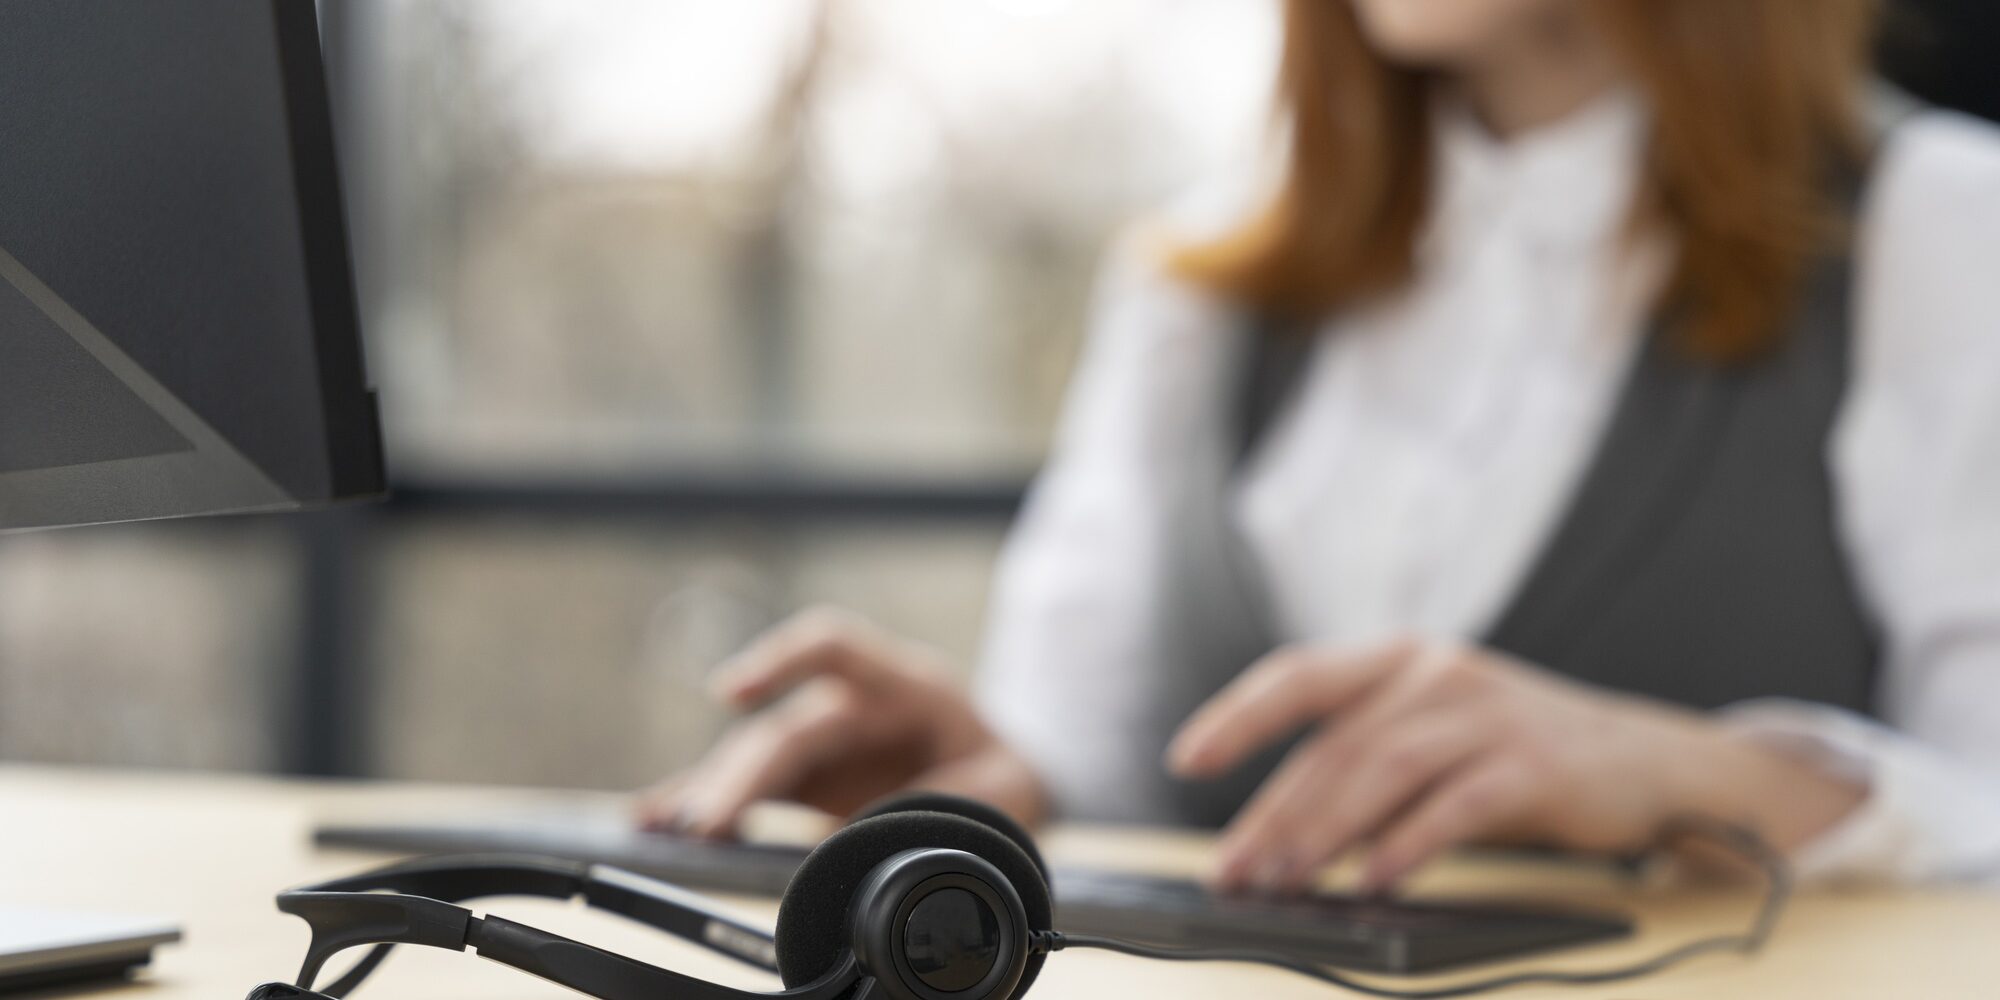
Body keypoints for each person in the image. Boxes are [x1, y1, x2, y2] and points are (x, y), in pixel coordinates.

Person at [640, 0, 2000, 893]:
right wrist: (996, 779)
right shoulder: (1196, 285)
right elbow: (1096, 746)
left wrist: (1705, 779)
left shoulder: (1940, 235)